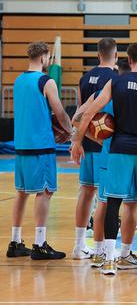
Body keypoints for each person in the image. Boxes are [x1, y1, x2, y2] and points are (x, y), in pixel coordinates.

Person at [71, 42, 137, 276]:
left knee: (112, 203)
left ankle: (109, 261)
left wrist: (77, 141)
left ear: (128, 58)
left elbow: (88, 113)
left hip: (119, 150)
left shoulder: (115, 82)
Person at [7, 42, 71, 260]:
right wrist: (70, 131)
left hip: (21, 145)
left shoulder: (18, 81)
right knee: (44, 192)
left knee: (22, 193)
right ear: (45, 58)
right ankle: (40, 244)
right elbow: (60, 112)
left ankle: (15, 242)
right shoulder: (46, 81)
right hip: (40, 146)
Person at [73, 63, 137, 270]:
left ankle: (99, 252)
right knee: (129, 204)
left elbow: (76, 118)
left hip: (107, 154)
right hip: (130, 155)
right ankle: (125, 255)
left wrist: (98, 140)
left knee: (103, 202)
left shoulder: (100, 94)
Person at [72, 38, 118, 260]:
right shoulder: (115, 79)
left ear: (98, 55)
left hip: (87, 143)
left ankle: (79, 245)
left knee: (86, 192)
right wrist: (100, 140)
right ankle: (101, 249)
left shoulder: (84, 78)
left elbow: (80, 115)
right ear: (116, 55)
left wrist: (79, 140)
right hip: (104, 146)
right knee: (105, 199)